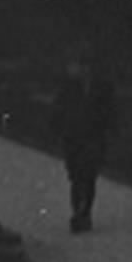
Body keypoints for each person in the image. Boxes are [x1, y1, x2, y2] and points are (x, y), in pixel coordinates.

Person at [51, 55, 117, 233]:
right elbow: (59, 111)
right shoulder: (68, 88)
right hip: (73, 138)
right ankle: (80, 211)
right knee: (76, 176)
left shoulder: (103, 87)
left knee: (88, 176)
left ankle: (83, 212)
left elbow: (110, 111)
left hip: (93, 137)